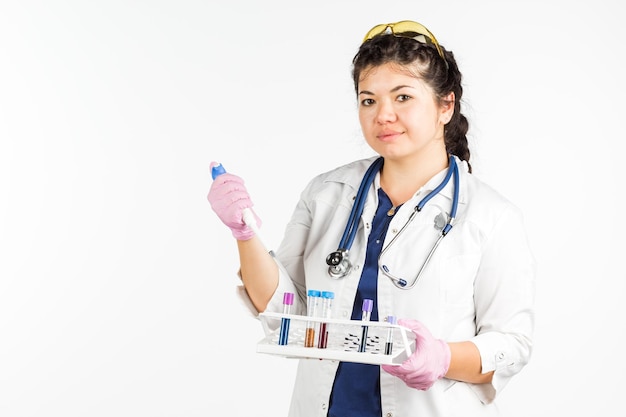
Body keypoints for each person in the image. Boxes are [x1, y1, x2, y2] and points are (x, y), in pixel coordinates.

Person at [207, 20, 536, 417]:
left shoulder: (490, 216)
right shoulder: (326, 194)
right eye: (369, 100)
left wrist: (443, 357)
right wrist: (244, 232)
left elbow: (512, 345)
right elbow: (284, 313)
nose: (383, 115)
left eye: (403, 97)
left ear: (445, 106)